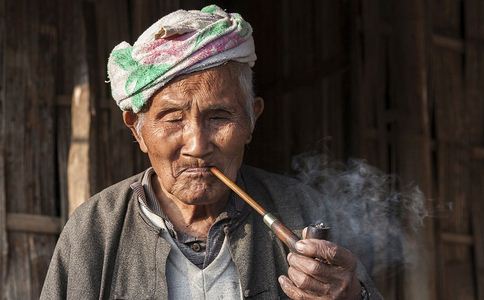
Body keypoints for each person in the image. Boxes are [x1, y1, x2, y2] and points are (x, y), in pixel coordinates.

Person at [41, 5, 382, 299]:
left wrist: (354, 296)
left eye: (219, 117)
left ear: (251, 120)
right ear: (137, 130)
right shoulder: (93, 232)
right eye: (173, 119)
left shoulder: (302, 212)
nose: (197, 146)